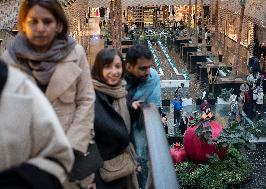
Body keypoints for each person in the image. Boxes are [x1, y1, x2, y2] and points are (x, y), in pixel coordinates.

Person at [1, 0, 95, 185]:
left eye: (47, 21)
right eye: (33, 21)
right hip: (25, 161)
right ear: (23, 24)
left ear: (58, 24)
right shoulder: (9, 59)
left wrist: (72, 146)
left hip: (71, 154)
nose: (40, 28)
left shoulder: (75, 54)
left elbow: (86, 99)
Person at [0, 60, 74, 188]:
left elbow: (86, 100)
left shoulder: (17, 84)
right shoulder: (12, 57)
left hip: (62, 133)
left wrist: (75, 143)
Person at [91, 48, 138, 189]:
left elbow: (120, 116)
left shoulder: (121, 92)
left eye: (117, 66)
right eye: (107, 67)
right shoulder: (91, 97)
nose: (114, 72)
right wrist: (89, 175)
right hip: (103, 173)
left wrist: (132, 107)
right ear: (99, 69)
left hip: (122, 167)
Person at [125, 44, 161, 189]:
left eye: (149, 67)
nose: (148, 72)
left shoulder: (153, 78)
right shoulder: (117, 78)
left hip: (140, 131)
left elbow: (153, 107)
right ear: (129, 67)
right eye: (142, 68)